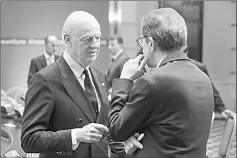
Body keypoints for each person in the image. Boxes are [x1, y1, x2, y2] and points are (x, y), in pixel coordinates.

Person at [108, 8, 214, 158]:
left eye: (141, 42)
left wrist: (124, 80)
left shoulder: (151, 82)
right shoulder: (203, 77)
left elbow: (116, 130)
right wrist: (132, 136)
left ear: (150, 43)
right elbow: (171, 128)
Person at [21, 11, 125, 158]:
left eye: (98, 38)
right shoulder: (45, 79)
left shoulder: (100, 76)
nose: (95, 45)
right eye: (87, 39)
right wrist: (76, 135)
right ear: (67, 40)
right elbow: (29, 139)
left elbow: (104, 127)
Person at [182, 46, 234, 119]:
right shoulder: (164, 66)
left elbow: (210, 88)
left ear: (186, 53)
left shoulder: (198, 67)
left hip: (193, 110)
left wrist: (222, 108)